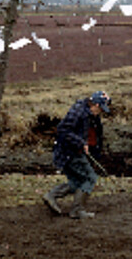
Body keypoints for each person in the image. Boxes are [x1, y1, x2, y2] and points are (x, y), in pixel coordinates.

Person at [43, 90, 111, 219]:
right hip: (69, 153)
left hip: (75, 152)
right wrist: (80, 143)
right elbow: (62, 130)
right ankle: (77, 210)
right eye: (101, 108)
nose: (101, 112)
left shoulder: (91, 114)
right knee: (90, 178)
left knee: (77, 181)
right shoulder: (78, 112)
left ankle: (51, 195)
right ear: (96, 105)